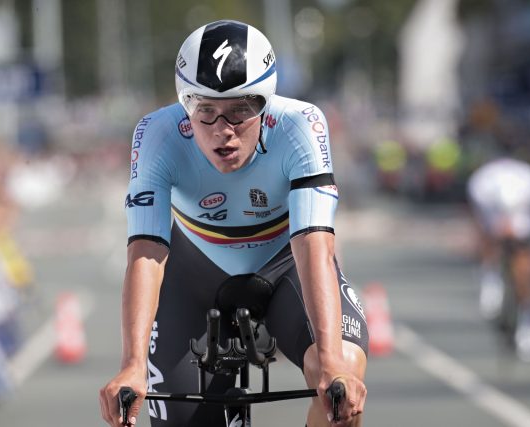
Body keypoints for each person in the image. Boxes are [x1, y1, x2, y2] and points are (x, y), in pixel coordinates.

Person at [99, 20, 368, 427]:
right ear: (185, 104)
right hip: (192, 280)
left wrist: (329, 362)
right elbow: (146, 249)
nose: (222, 131)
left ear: (266, 102)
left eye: (241, 110)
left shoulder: (300, 125)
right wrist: (132, 364)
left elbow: (314, 245)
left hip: (285, 271)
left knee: (342, 381)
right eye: (205, 110)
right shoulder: (157, 133)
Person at [467, 149, 530, 362]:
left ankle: (527, 325)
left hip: (524, 222)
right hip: (492, 217)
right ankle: (490, 277)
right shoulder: (484, 182)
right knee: (489, 241)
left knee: (523, 268)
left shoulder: (528, 181)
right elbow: (478, 217)